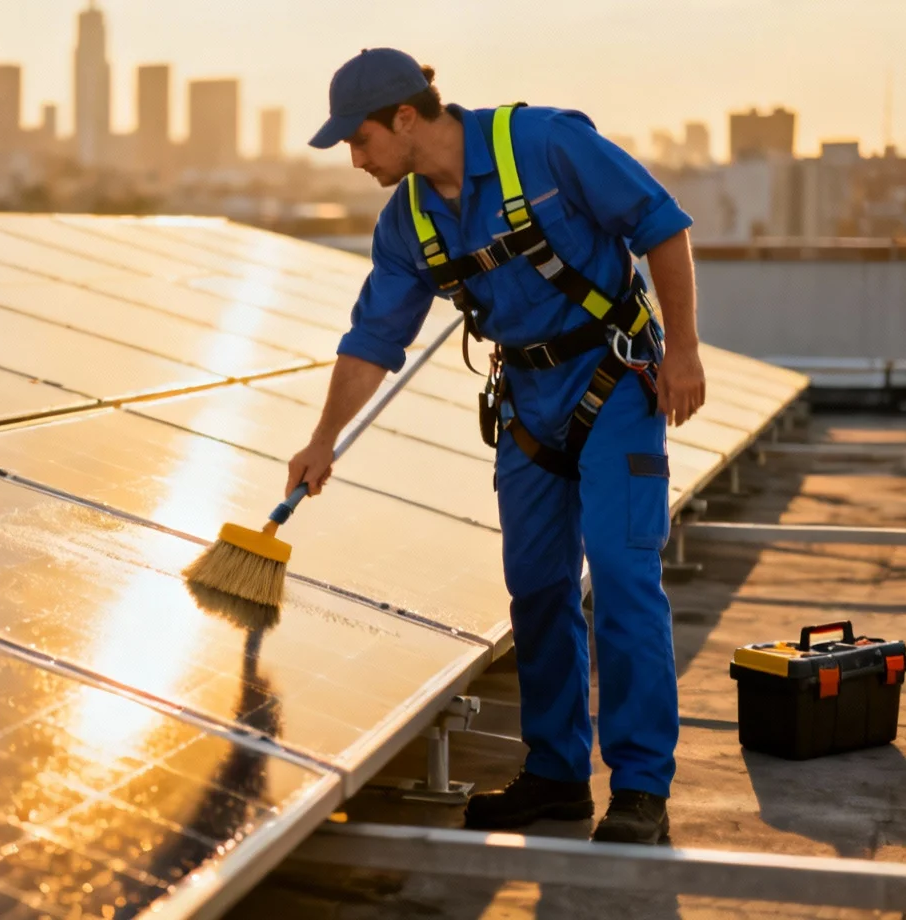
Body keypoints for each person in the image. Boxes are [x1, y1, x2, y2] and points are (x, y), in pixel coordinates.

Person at [289, 48, 706, 844]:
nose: (356, 158)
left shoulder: (545, 145)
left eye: (361, 139)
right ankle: (555, 775)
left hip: (613, 382)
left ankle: (641, 788)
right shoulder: (408, 222)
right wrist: (322, 439)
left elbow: (662, 225)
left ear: (406, 118)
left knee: (622, 578)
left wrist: (682, 350)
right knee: (537, 588)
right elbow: (374, 338)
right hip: (526, 403)